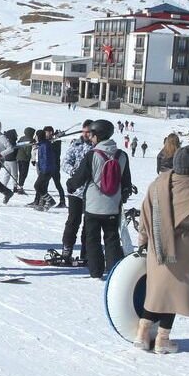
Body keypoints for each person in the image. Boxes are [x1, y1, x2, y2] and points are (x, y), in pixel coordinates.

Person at [135, 146, 189, 353]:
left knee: (156, 291)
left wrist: (142, 241)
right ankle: (162, 340)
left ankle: (142, 334)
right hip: (182, 248)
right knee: (174, 295)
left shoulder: (157, 184)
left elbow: (145, 215)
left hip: (157, 244)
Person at [68, 119, 133, 279]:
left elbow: (80, 178)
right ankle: (113, 272)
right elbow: (126, 182)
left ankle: (96, 271)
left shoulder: (93, 155)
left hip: (93, 206)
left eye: (92, 135)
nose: (90, 138)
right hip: (113, 206)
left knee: (92, 239)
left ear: (99, 135)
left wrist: (70, 185)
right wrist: (122, 197)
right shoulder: (122, 155)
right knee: (112, 238)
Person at [51, 120, 94, 265]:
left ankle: (86, 252)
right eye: (84, 131)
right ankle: (67, 250)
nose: (86, 134)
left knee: (89, 224)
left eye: (88, 132)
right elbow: (65, 163)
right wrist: (74, 172)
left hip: (92, 192)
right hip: (75, 191)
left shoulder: (96, 147)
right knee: (73, 221)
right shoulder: (76, 145)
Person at [30, 129, 57, 209]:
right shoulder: (43, 144)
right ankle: (45, 204)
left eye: (36, 136)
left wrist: (44, 171)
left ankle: (50, 200)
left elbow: (46, 159)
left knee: (37, 186)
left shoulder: (45, 146)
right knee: (41, 186)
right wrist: (35, 143)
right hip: (46, 169)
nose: (35, 137)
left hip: (46, 170)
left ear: (39, 136)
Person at [45, 126, 67, 208]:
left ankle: (62, 201)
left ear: (50, 132)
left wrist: (58, 136)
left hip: (55, 167)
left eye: (46, 132)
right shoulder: (49, 141)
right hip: (48, 166)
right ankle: (43, 200)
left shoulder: (56, 141)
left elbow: (54, 150)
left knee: (57, 184)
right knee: (44, 184)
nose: (45, 134)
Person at [15, 127, 35, 195]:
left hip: (19, 157)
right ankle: (20, 187)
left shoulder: (22, 138)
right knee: (24, 173)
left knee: (20, 172)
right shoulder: (30, 140)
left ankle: (18, 186)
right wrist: (29, 158)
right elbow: (28, 151)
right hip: (25, 159)